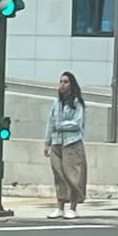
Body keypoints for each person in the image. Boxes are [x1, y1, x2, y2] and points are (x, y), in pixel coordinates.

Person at [46, 71, 88, 220]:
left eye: (66, 82)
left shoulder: (77, 103)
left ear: (72, 85)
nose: (62, 85)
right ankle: (60, 207)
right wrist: (47, 142)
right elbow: (50, 123)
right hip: (57, 143)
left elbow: (77, 122)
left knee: (72, 176)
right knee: (59, 175)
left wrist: (61, 125)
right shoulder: (56, 103)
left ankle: (73, 207)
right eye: (61, 82)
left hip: (72, 143)